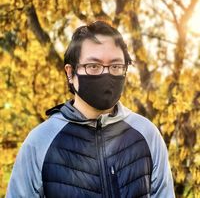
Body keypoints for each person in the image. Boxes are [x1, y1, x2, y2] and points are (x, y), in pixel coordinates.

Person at [6, 20, 175, 198]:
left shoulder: (147, 133)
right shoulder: (40, 141)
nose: (106, 73)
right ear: (70, 73)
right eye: (93, 66)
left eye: (116, 66)